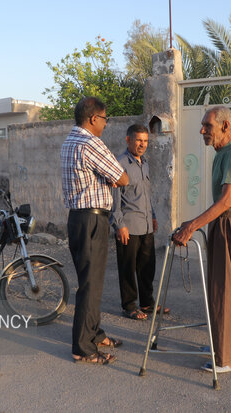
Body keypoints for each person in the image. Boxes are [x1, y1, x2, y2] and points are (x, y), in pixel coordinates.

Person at [173, 106, 231, 373]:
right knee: (218, 292)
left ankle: (227, 358)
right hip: (222, 225)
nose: (202, 131)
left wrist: (192, 226)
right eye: (203, 125)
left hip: (230, 225)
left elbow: (226, 201)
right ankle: (221, 346)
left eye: (208, 126)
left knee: (226, 294)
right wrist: (191, 224)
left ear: (225, 127)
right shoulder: (221, 154)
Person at [60, 97, 129, 365]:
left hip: (77, 219)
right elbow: (122, 177)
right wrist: (109, 177)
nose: (105, 124)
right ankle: (83, 348)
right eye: (104, 119)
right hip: (92, 220)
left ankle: (95, 333)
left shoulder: (69, 142)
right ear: (92, 119)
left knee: (92, 282)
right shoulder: (90, 142)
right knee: (90, 286)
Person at [111, 124, 167, 321]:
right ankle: (129, 305)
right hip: (128, 225)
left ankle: (147, 302)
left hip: (145, 224)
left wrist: (152, 215)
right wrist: (119, 224)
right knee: (128, 267)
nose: (142, 144)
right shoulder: (119, 164)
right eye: (138, 140)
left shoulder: (145, 163)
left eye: (145, 141)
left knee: (147, 266)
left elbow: (146, 195)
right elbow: (114, 197)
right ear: (128, 140)